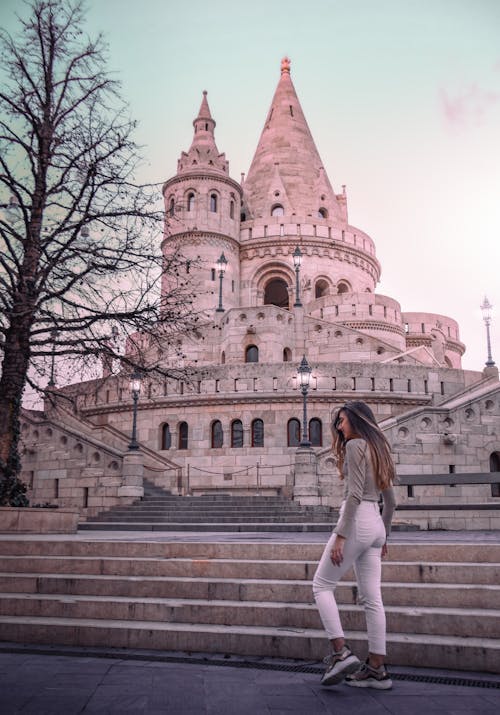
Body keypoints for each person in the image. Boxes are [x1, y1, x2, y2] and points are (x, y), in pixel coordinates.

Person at [312, 401, 396, 689]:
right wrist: (384, 535)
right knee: (373, 599)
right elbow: (392, 501)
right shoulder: (379, 448)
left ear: (357, 422)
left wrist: (341, 535)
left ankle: (340, 652)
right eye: (338, 422)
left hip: (356, 520)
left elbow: (355, 495)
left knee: (321, 585)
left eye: (343, 421)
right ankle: (377, 669)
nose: (339, 427)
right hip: (375, 524)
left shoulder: (355, 446)